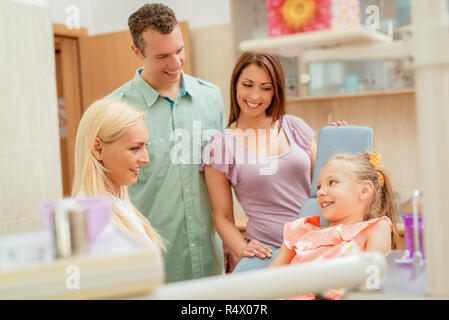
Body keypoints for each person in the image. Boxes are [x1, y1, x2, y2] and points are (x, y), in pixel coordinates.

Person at [108, 3, 225, 282]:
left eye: (179, 50)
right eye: (162, 56)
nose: (175, 63)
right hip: (149, 269)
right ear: (137, 52)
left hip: (211, 264)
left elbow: (222, 179)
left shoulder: (212, 98)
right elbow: (105, 193)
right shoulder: (114, 110)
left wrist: (231, 243)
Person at [201, 51, 319, 273]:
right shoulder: (221, 145)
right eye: (248, 85)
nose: (255, 96)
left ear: (276, 91)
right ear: (235, 84)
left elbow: (324, 185)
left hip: (312, 245)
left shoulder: (294, 127)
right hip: (266, 252)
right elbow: (223, 217)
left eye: (266, 88)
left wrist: (338, 140)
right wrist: (242, 247)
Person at [269, 151, 399, 300]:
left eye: (332, 182)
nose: (321, 192)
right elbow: (268, 281)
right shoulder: (299, 230)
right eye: (318, 187)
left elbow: (371, 286)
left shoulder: (375, 229)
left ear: (364, 190)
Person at [71, 98, 164, 249]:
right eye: (135, 148)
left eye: (145, 146)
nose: (146, 159)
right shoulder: (92, 220)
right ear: (98, 149)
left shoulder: (118, 203)